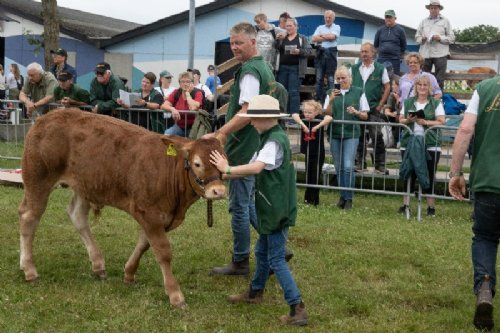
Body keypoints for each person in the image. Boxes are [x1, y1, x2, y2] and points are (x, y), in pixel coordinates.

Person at [210, 94, 307, 326]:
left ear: (265, 118)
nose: (251, 122)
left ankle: (297, 307)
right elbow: (252, 168)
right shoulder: (267, 138)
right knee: (262, 253)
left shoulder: (273, 141)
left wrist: (228, 169)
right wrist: (223, 174)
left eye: (253, 118)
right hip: (271, 206)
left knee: (276, 258)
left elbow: (256, 167)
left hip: (276, 208)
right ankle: (255, 292)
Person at [204, 22, 275, 276]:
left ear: (253, 42)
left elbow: (246, 113)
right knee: (249, 203)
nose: (234, 47)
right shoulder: (263, 67)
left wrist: (221, 132)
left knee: (238, 207)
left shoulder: (249, 72)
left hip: (244, 146)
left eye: (239, 43)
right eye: (232, 43)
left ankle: (241, 260)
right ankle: (277, 245)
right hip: (255, 142)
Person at [449, 76, 500, 331]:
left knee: (485, 238)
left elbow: (466, 129)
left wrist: (455, 173)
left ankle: (484, 287)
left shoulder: (485, 88)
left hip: (488, 182)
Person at [398, 75, 445, 216]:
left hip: (430, 143)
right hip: (409, 142)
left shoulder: (436, 103)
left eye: (425, 85)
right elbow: (400, 120)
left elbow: (441, 121)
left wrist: (426, 123)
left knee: (429, 174)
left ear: (429, 87)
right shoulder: (408, 102)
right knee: (409, 173)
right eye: (420, 85)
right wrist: (408, 120)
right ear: (416, 87)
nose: (422, 88)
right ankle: (405, 205)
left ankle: (431, 207)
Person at [324, 66, 370, 209]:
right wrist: (331, 100)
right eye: (338, 78)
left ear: (350, 78)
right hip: (335, 133)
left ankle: (349, 198)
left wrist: (356, 112)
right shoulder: (330, 92)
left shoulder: (358, 92)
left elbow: (365, 115)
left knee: (348, 166)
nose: (341, 80)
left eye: (343, 77)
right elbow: (327, 114)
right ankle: (342, 196)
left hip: (352, 134)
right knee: (339, 167)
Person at [351, 42, 390, 173]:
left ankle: (380, 165)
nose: (364, 54)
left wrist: (381, 105)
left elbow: (387, 87)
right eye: (362, 51)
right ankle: (360, 164)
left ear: (373, 53)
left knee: (377, 136)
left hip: (374, 108)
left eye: (366, 52)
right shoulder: (354, 68)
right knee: (359, 136)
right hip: (358, 109)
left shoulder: (380, 68)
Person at [292, 100, 331, 205]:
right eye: (305, 112)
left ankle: (315, 200)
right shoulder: (304, 119)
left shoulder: (319, 119)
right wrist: (303, 125)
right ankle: (307, 199)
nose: (307, 114)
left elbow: (329, 117)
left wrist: (317, 126)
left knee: (315, 175)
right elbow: (294, 114)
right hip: (308, 151)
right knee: (308, 175)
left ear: (316, 112)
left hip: (318, 151)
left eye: (310, 112)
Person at [275, 17, 312, 115]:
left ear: (296, 27)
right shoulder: (283, 37)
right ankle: (282, 115)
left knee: (293, 92)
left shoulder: (302, 38)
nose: (288, 28)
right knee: (282, 92)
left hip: (295, 69)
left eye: (290, 26)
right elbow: (276, 49)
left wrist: (299, 51)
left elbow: (308, 51)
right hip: (282, 68)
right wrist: (278, 40)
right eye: (287, 26)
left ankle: (293, 117)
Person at [415, 0, 455, 90]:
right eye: (431, 8)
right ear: (429, 9)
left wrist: (440, 38)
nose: (433, 10)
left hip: (441, 54)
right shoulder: (423, 22)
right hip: (425, 54)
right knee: (424, 79)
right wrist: (423, 38)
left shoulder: (445, 21)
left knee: (439, 80)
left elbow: (452, 38)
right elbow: (417, 37)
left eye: (435, 8)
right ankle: (425, 100)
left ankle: (438, 100)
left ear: (439, 9)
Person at [161, 71, 203, 137]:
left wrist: (187, 93)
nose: (185, 84)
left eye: (188, 82)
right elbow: (163, 106)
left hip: (194, 126)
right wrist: (172, 109)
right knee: (167, 134)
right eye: (182, 82)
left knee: (191, 143)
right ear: (179, 83)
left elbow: (193, 108)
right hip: (179, 126)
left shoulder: (197, 93)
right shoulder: (176, 92)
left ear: (192, 83)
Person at [311, 10, 341, 103]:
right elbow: (314, 38)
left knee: (331, 78)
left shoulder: (337, 27)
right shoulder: (320, 27)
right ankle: (319, 100)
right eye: (326, 17)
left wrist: (321, 36)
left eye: (330, 17)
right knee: (319, 78)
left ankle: (331, 101)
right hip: (321, 52)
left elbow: (332, 37)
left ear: (333, 18)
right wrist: (327, 36)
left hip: (331, 53)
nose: (327, 19)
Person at [374, 10, 407, 75]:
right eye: (386, 17)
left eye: (390, 17)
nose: (388, 19)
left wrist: (397, 54)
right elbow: (375, 44)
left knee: (394, 79)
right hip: (381, 59)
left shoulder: (400, 30)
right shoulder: (380, 30)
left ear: (395, 18)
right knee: (380, 77)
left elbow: (404, 46)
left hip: (395, 59)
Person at [383, 75, 402, 146]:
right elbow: (386, 111)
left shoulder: (404, 94)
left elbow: (403, 110)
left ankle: (397, 141)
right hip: (394, 117)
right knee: (383, 116)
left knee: (398, 118)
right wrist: (392, 114)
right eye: (392, 85)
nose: (393, 86)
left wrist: (398, 100)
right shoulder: (391, 95)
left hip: (403, 117)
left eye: (395, 85)